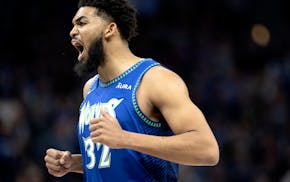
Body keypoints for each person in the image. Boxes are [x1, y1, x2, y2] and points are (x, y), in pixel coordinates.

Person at [44, 0, 219, 181]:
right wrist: (73, 163)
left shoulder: (154, 79)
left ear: (109, 29)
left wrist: (126, 138)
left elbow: (207, 149)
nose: (72, 32)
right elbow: (118, 158)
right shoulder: (90, 88)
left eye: (81, 23)